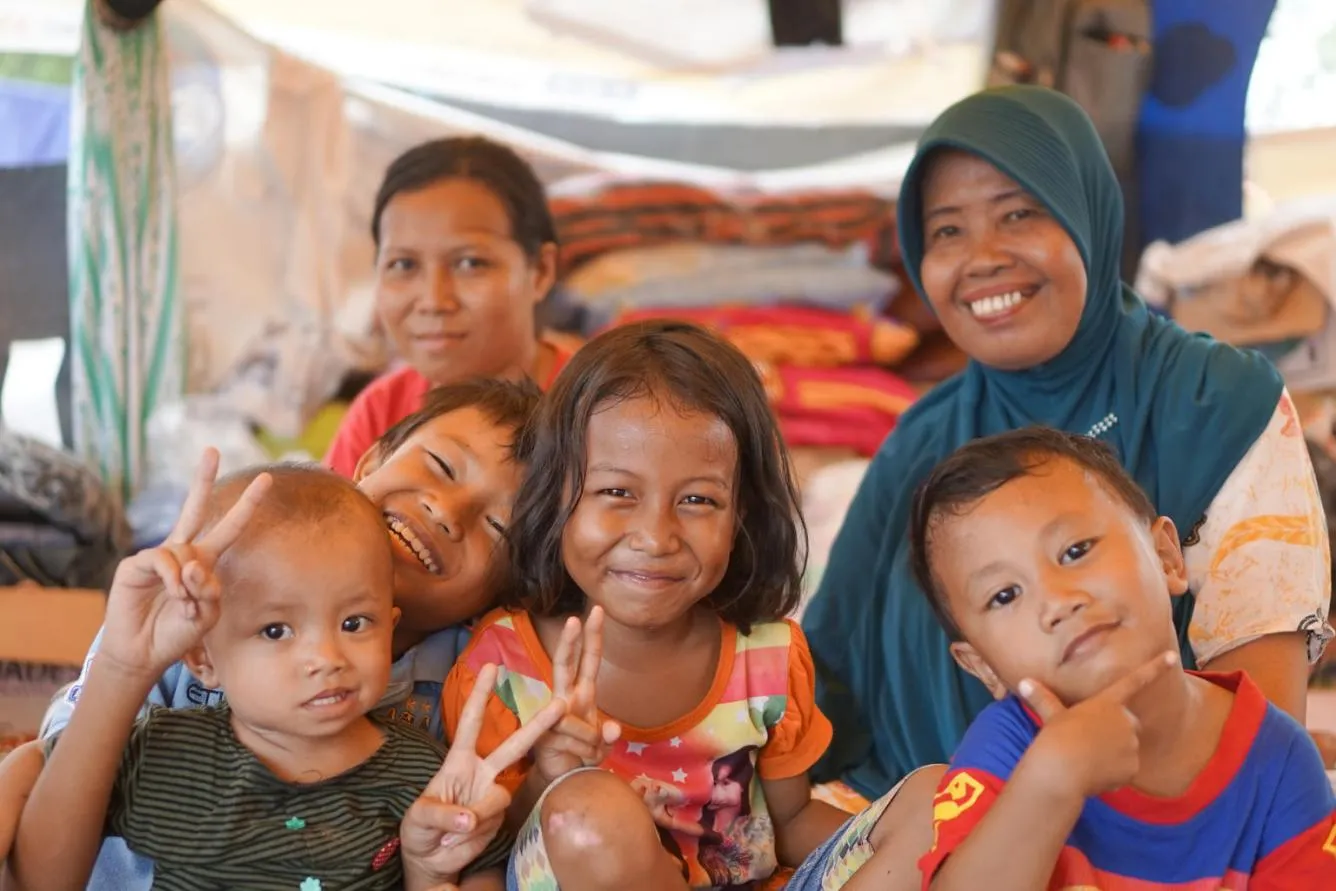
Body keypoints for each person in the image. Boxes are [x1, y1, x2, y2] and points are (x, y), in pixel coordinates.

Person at [801, 85, 1334, 801]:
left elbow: (1260, 740)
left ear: (1087, 212)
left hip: (1169, 819)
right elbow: (827, 675)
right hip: (919, 811)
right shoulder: (922, 439)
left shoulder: (1213, 401)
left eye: (1019, 213)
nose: (982, 257)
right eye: (947, 231)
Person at [443, 321, 941, 891]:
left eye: (698, 500)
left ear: (742, 518)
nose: (656, 537)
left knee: (935, 795)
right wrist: (547, 778)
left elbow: (792, 822)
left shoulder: (768, 657)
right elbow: (486, 850)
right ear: (556, 495)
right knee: (587, 815)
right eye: (617, 493)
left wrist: (895, 841)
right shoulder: (502, 668)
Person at [6, 377, 541, 888]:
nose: (446, 512)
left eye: (497, 526)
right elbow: (57, 777)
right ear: (371, 458)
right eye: (441, 466)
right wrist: (123, 670)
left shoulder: (470, 683)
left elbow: (475, 851)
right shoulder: (200, 595)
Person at [909, 427, 1336, 889]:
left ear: (1167, 558)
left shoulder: (1279, 760)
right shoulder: (1010, 746)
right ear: (983, 667)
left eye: (1075, 551)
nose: (1058, 601)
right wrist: (1051, 782)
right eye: (1005, 595)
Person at [325, 136, 579, 478]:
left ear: (541, 271)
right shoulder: (382, 411)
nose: (433, 301)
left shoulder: (597, 414)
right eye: (403, 265)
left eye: (470, 263)